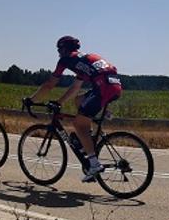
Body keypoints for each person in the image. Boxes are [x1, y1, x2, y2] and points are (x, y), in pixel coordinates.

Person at [27, 36, 122, 180]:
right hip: (114, 86)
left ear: (64, 49)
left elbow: (49, 84)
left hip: (102, 88)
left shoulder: (66, 60)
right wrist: (60, 102)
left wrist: (31, 100)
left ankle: (94, 164)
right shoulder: (83, 60)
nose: (58, 53)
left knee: (78, 124)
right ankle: (89, 138)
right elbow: (75, 88)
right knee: (78, 101)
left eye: (59, 49)